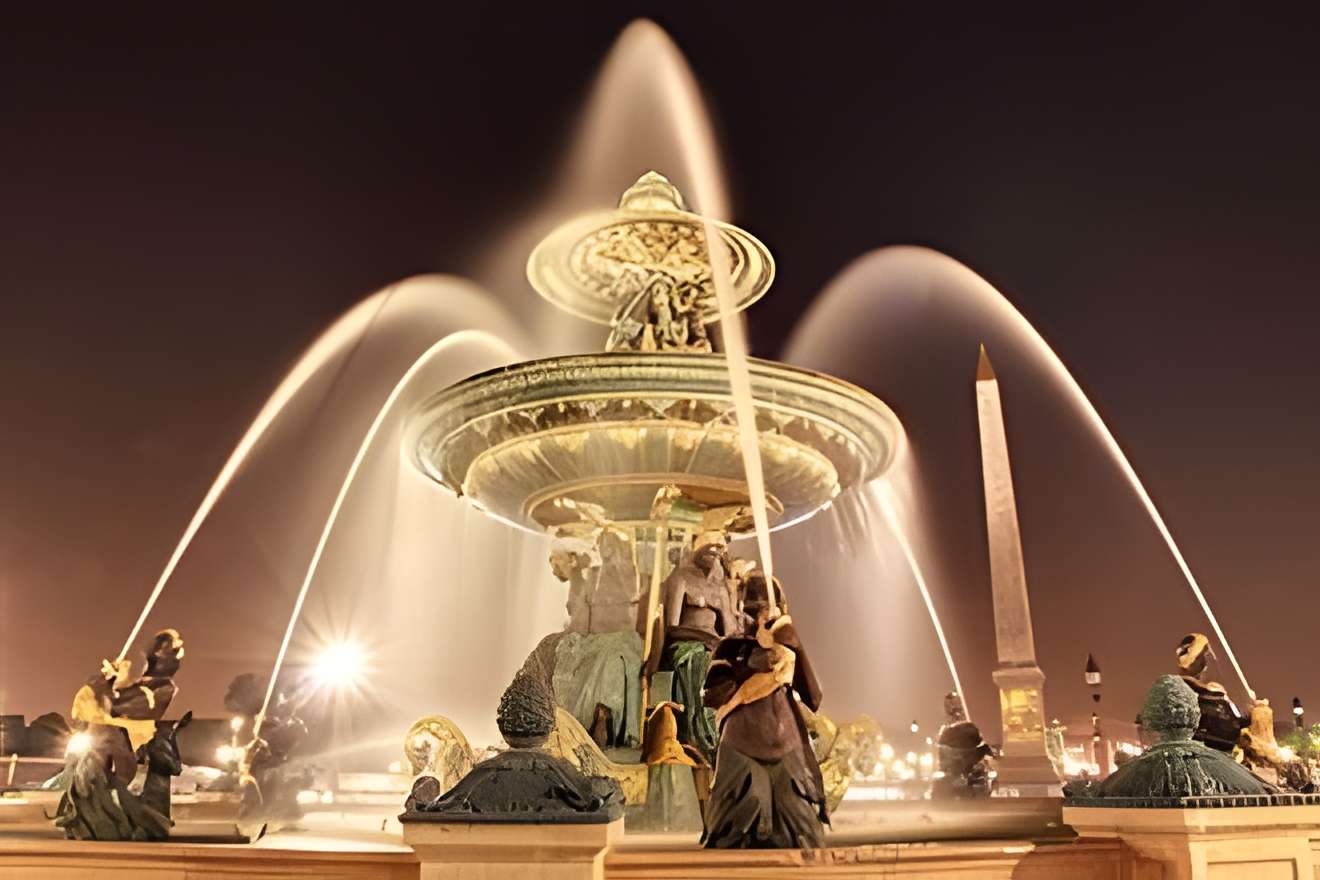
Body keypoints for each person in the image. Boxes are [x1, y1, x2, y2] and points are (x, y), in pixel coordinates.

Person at [700, 573, 827, 849]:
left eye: (771, 613)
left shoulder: (790, 651)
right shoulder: (731, 646)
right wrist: (754, 662)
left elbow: (814, 699)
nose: (766, 618)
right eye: (759, 612)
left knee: (804, 832)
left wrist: (796, 648)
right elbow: (712, 695)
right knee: (736, 832)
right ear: (748, 614)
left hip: (787, 750)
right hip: (742, 749)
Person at [646, 532, 739, 764]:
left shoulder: (719, 588)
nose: (715, 552)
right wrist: (703, 636)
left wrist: (721, 606)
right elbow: (672, 627)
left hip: (712, 647)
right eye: (710, 546)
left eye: (719, 549)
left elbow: (730, 631)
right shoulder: (681, 578)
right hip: (684, 648)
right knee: (700, 664)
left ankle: (734, 735)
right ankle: (703, 737)